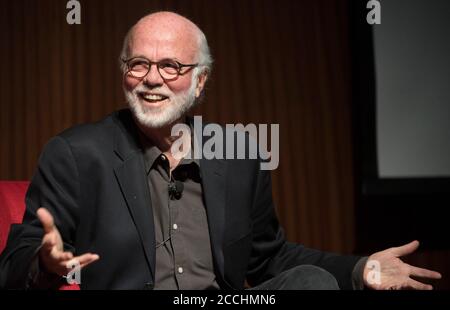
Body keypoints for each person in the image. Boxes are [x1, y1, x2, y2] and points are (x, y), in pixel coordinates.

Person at [0, 11, 441, 290]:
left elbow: (270, 259)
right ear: (124, 73)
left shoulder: (237, 156)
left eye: (171, 66)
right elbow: (15, 261)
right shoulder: (76, 153)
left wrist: (361, 269)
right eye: (139, 64)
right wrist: (46, 263)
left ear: (201, 81)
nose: (152, 78)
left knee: (311, 281)